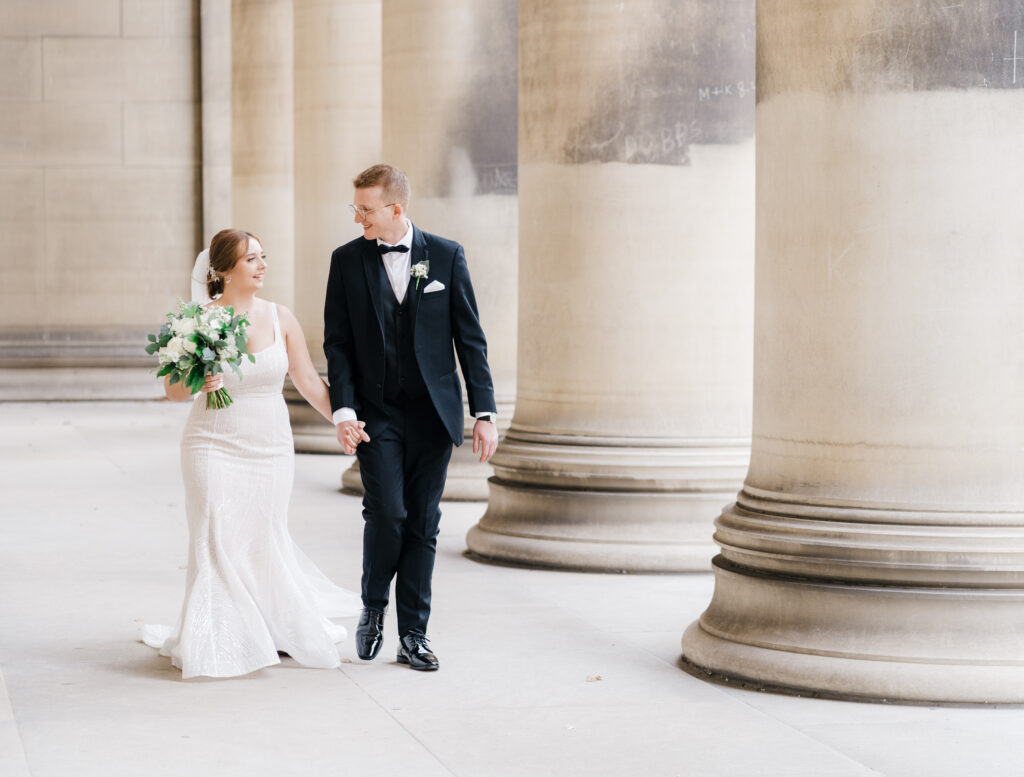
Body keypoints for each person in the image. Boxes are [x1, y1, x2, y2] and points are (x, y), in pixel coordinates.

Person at [143, 228, 360, 679]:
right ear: (223, 271)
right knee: (214, 534)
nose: (262, 265)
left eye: (263, 256)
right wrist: (199, 379)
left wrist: (341, 417)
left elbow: (306, 379)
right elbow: (173, 391)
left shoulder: (281, 317)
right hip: (211, 442)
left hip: (270, 445)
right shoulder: (197, 321)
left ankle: (267, 625)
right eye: (251, 260)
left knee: (261, 535)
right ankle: (220, 635)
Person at [324, 164, 498, 671]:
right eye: (355, 208)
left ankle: (414, 637)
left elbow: (470, 339)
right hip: (376, 416)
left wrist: (483, 411)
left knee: (423, 524)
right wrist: (345, 409)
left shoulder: (445, 255)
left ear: (395, 209)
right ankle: (373, 607)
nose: (358, 218)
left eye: (366, 209)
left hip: (432, 415)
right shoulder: (346, 261)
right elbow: (338, 343)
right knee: (387, 514)